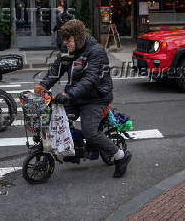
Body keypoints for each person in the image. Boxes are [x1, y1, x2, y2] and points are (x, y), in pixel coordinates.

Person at [34, 19, 132, 178]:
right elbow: (56, 69)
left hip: (96, 97)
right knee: (55, 119)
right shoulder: (68, 51)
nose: (66, 43)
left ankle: (120, 156)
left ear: (78, 38)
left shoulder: (96, 51)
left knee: (90, 131)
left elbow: (90, 79)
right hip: (75, 96)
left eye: (68, 39)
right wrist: (44, 85)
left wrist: (68, 95)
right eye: (64, 40)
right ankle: (77, 147)